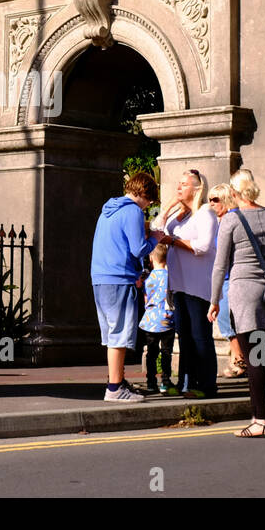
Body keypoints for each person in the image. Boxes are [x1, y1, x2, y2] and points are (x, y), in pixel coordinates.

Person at [209, 168, 265, 438]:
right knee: (260, 355)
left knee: (253, 359)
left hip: (244, 292)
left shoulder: (231, 220)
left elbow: (220, 266)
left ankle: (261, 420)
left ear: (233, 192)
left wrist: (214, 301)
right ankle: (262, 418)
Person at [90, 171, 161, 402]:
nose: (149, 205)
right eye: (150, 201)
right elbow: (139, 249)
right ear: (146, 194)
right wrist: (156, 238)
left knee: (112, 334)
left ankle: (117, 381)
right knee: (119, 335)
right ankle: (114, 389)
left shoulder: (109, 209)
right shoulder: (132, 211)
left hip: (101, 277)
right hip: (119, 278)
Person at [153, 169, 219, 398]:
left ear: (197, 188)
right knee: (186, 337)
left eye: (184, 184)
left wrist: (172, 240)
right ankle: (187, 383)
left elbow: (203, 246)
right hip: (179, 285)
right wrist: (170, 204)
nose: (179, 187)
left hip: (198, 286)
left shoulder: (205, 213)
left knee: (200, 336)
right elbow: (155, 229)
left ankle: (207, 385)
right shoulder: (180, 216)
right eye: (178, 184)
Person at [207, 183, 247, 378]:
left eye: (215, 199)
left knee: (229, 321)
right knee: (227, 321)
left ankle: (239, 360)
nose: (211, 204)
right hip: (224, 277)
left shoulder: (230, 221)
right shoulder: (220, 222)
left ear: (226, 199)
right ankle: (237, 358)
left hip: (231, 277)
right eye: (210, 200)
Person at [138, 243, 175, 393]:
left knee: (151, 353)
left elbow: (146, 298)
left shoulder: (148, 278)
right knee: (166, 352)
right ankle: (165, 382)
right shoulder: (171, 277)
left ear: (152, 258)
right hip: (167, 320)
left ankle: (151, 382)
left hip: (151, 320)